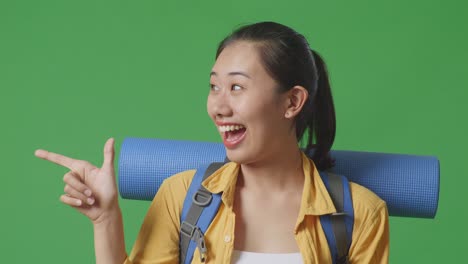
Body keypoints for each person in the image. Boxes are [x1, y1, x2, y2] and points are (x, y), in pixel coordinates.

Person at [35, 21, 389, 263]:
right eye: (214, 86)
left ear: (292, 102)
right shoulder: (182, 197)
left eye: (236, 87)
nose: (218, 107)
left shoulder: (360, 215)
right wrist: (105, 220)